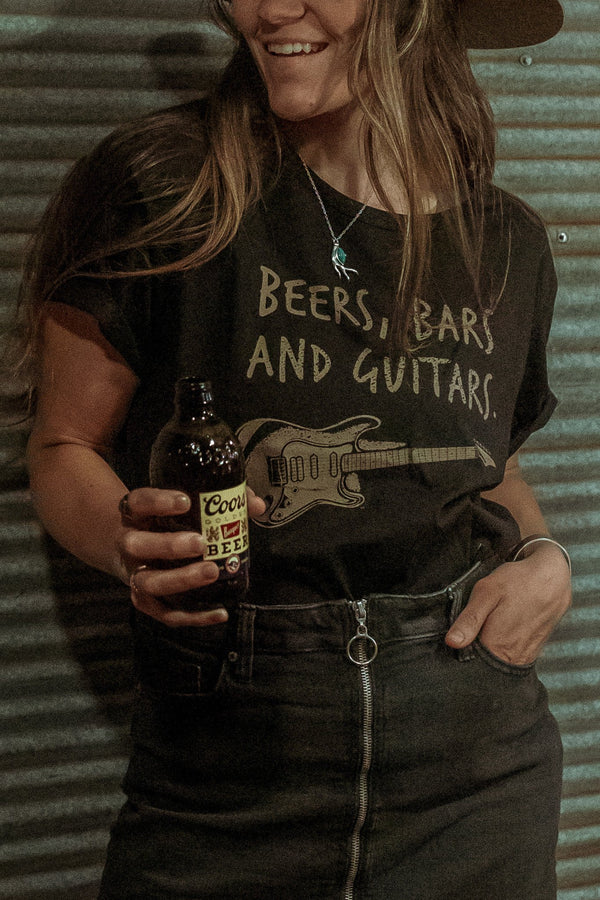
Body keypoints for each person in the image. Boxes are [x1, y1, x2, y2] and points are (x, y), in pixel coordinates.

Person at [18, 0, 572, 897]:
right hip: (232, 760)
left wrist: (546, 556)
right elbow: (62, 441)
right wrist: (127, 545)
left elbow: (488, 462)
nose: (270, 9)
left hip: (473, 760)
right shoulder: (167, 184)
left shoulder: (504, 241)